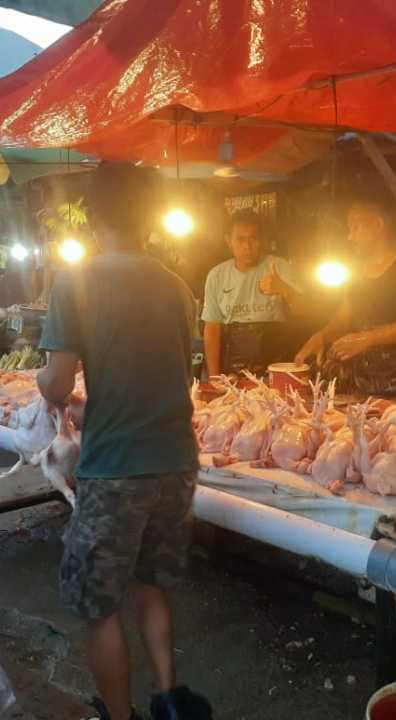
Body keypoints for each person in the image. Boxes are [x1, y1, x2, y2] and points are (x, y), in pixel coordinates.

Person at [36, 163, 212, 720]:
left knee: (98, 605)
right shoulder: (176, 285)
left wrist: (49, 385)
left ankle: (119, 715)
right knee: (151, 582)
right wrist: (96, 405)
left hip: (116, 470)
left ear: (91, 216)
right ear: (151, 218)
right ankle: (168, 699)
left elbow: (57, 382)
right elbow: (164, 376)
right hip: (175, 462)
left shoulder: (77, 281)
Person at [294, 190, 396, 397]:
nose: (350, 236)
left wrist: (367, 339)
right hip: (363, 378)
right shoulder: (357, 270)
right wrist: (322, 336)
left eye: (355, 227)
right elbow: (343, 318)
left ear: (378, 225)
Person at [200, 209, 302, 377]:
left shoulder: (280, 266)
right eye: (240, 239)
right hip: (233, 366)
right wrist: (214, 377)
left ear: (261, 240)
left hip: (276, 362)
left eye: (253, 238)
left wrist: (284, 289)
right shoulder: (216, 275)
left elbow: (305, 311)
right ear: (229, 241)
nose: (247, 246)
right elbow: (212, 327)